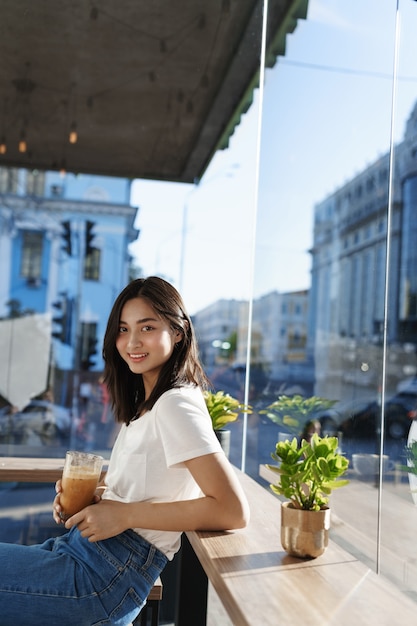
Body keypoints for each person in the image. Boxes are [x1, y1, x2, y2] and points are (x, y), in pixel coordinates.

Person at [0, 276, 250, 626]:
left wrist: (125, 515)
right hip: (84, 553)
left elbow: (232, 509)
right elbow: (151, 490)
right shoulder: (147, 406)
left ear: (178, 331)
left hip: (105, 578)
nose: (132, 342)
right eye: (123, 329)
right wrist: (96, 502)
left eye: (147, 327)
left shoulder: (176, 404)